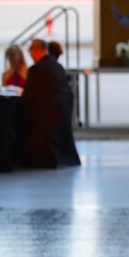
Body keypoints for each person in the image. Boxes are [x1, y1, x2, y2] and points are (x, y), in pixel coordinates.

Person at [19, 39, 80, 168]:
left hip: (45, 116)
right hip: (62, 112)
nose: (30, 54)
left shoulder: (36, 69)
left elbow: (27, 97)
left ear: (37, 50)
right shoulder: (58, 66)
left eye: (31, 51)